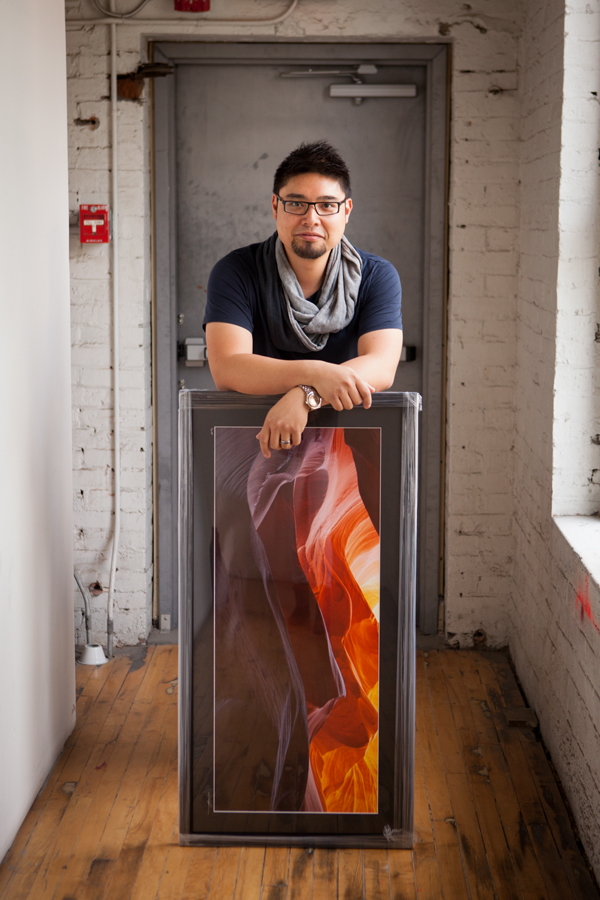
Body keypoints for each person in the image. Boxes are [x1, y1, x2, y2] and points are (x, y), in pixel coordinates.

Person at [204, 139, 403, 456]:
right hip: (254, 439)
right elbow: (228, 368)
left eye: (327, 205)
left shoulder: (377, 276)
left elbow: (382, 367)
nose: (311, 219)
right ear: (275, 206)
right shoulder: (236, 271)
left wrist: (304, 395)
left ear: (346, 211)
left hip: (347, 441)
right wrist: (317, 374)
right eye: (296, 204)